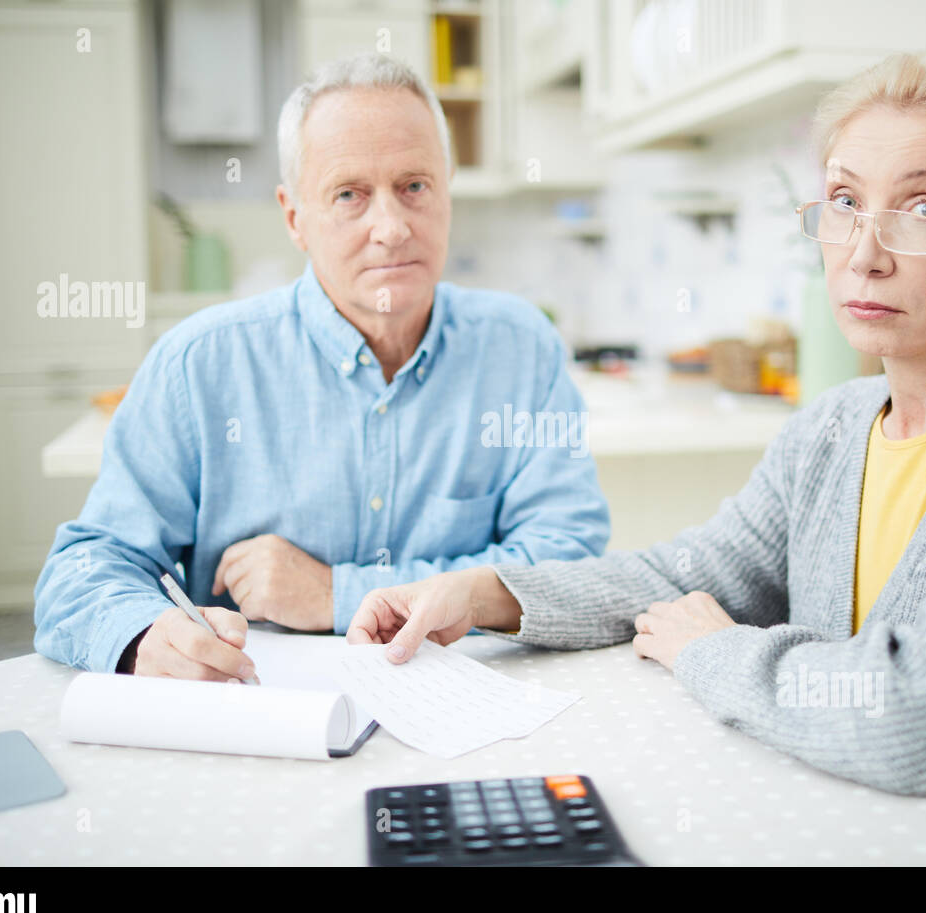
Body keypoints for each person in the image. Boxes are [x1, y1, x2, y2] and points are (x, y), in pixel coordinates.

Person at [346, 53, 926, 866]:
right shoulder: (835, 427)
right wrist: (486, 592)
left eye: (922, 210)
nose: (865, 250)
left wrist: (715, 652)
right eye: (846, 202)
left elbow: (925, 713)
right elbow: (691, 574)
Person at [33, 53, 609, 679]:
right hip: (258, 722)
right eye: (349, 195)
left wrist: (334, 591)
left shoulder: (522, 348)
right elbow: (84, 570)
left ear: (447, 192)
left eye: (414, 186)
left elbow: (568, 561)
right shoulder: (198, 364)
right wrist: (144, 636)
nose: (390, 227)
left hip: (467, 713)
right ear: (293, 218)